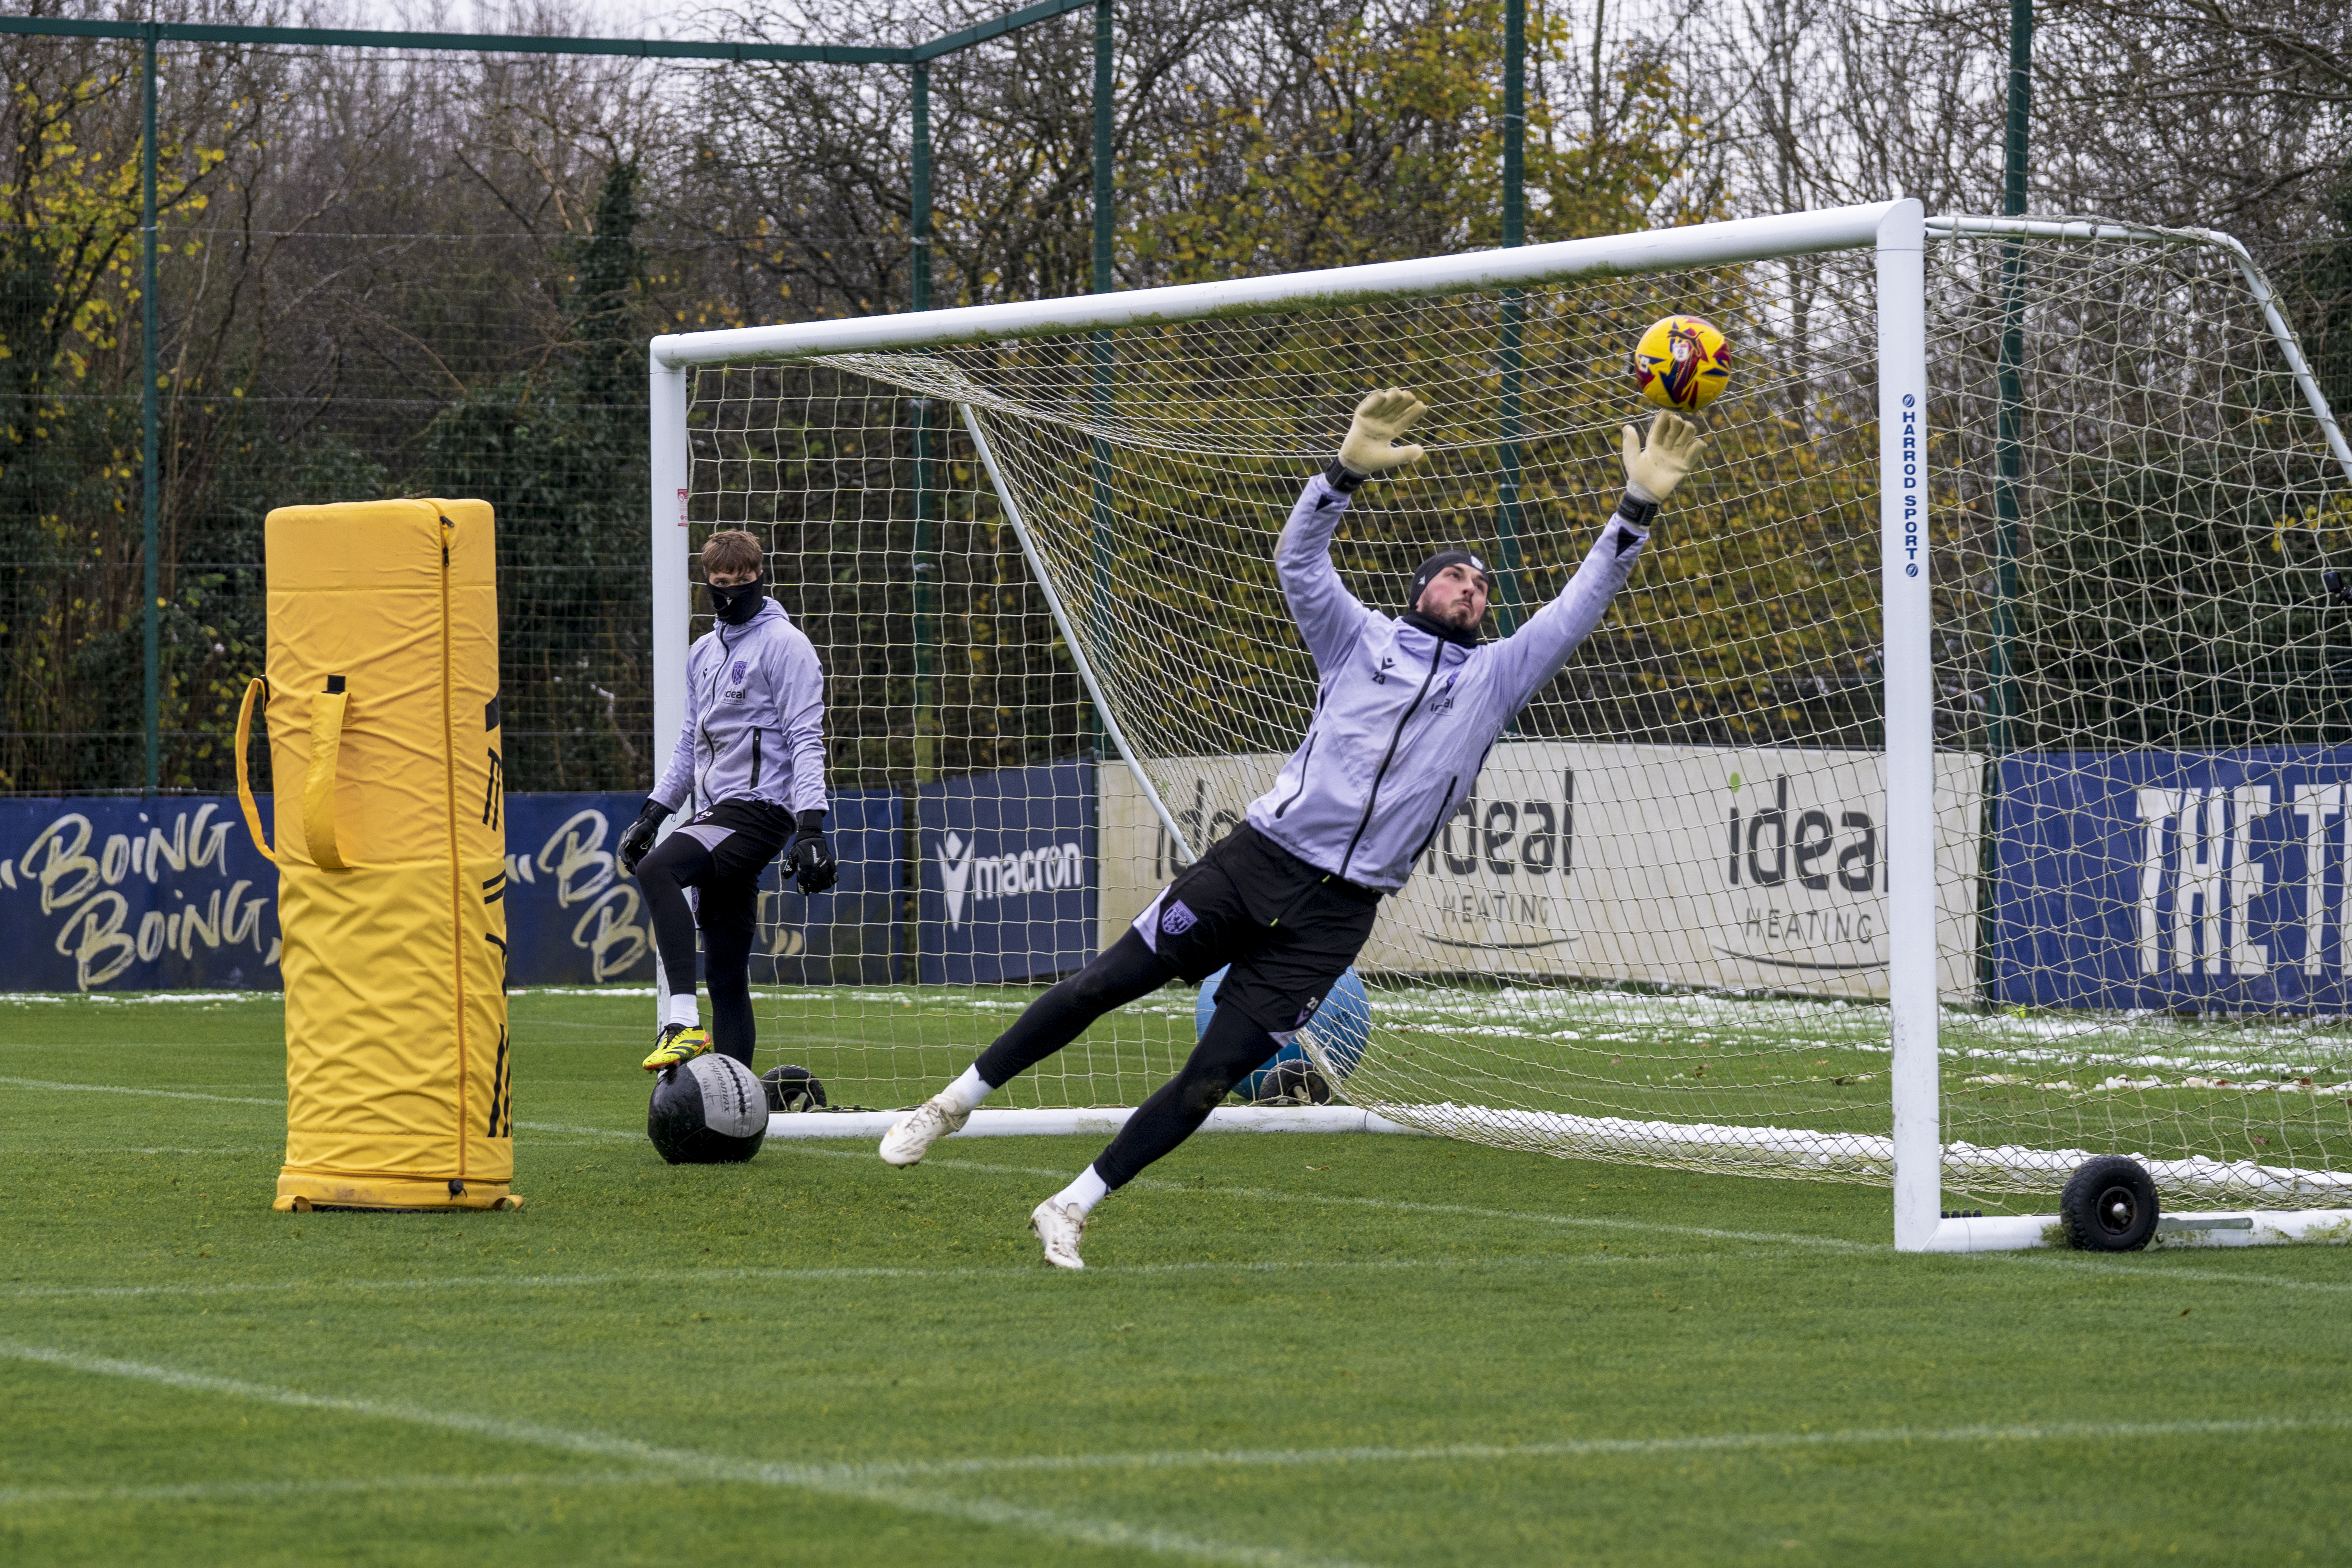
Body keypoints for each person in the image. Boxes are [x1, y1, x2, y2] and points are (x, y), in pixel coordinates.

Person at [876, 388, 1708, 1268]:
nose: (1469, 588)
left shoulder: (1496, 679)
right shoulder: (1358, 640)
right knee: (1099, 986)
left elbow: (1583, 600)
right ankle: (952, 1101)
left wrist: (1635, 507)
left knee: (1212, 1075)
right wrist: (1342, 471)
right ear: (1420, 588)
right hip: (1255, 861)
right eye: (1454, 575)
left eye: (1481, 585)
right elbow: (1299, 562)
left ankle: (1072, 1205)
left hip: (1336, 917)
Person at [619, 528, 839, 1072]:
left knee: (656, 872)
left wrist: (811, 825)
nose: (732, 593)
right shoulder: (703, 653)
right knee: (725, 974)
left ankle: (682, 1023)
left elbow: (806, 737)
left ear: (760, 577)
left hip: (759, 810)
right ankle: (740, 1105)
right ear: (708, 583)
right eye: (721, 584)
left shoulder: (785, 645)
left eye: (743, 582)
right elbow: (689, 743)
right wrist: (654, 813)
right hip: (716, 813)